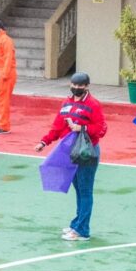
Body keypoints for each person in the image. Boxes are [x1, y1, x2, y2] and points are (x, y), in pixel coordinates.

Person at [34, 72, 108, 241]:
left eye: (80, 86)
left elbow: (101, 129)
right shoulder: (66, 103)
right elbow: (57, 127)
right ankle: (77, 224)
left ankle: (82, 230)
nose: (76, 88)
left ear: (87, 86)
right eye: (73, 85)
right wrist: (44, 142)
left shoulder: (93, 105)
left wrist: (80, 128)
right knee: (79, 191)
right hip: (71, 153)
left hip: (87, 153)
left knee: (85, 191)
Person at [0, 18, 17, 135]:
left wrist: (4, 74)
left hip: (6, 73)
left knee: (3, 101)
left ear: (0, 27)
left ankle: (4, 126)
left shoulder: (6, 40)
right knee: (1, 100)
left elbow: (8, 59)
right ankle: (2, 123)